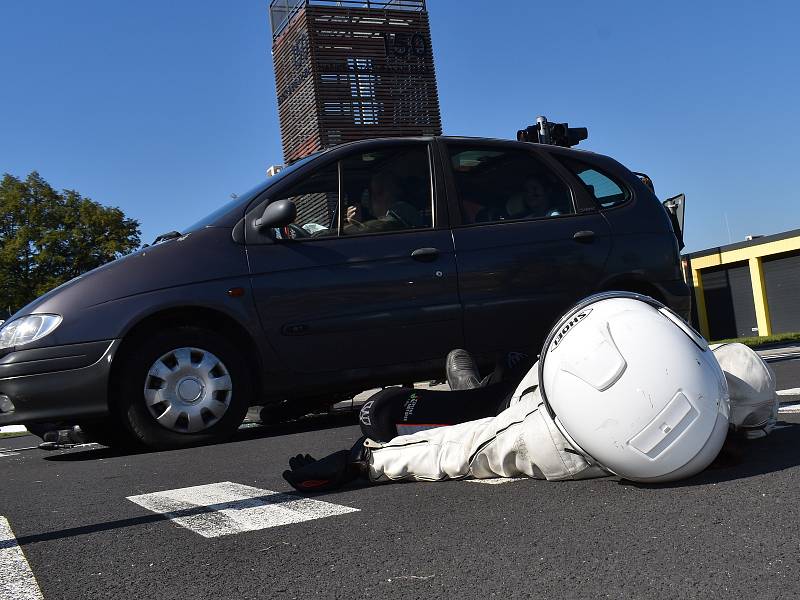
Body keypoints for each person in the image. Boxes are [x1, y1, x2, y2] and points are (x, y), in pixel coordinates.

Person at [282, 292, 778, 492]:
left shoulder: (542, 438)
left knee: (389, 415)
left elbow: (462, 448)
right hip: (548, 378)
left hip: (532, 396)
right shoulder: (739, 376)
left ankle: (480, 385)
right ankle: (489, 380)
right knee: (499, 387)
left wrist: (365, 460)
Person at [344, 172, 421, 234]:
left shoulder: (401, 209)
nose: (369, 199)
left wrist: (353, 225)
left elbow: (382, 227)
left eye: (377, 193)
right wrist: (355, 223)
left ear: (396, 191)